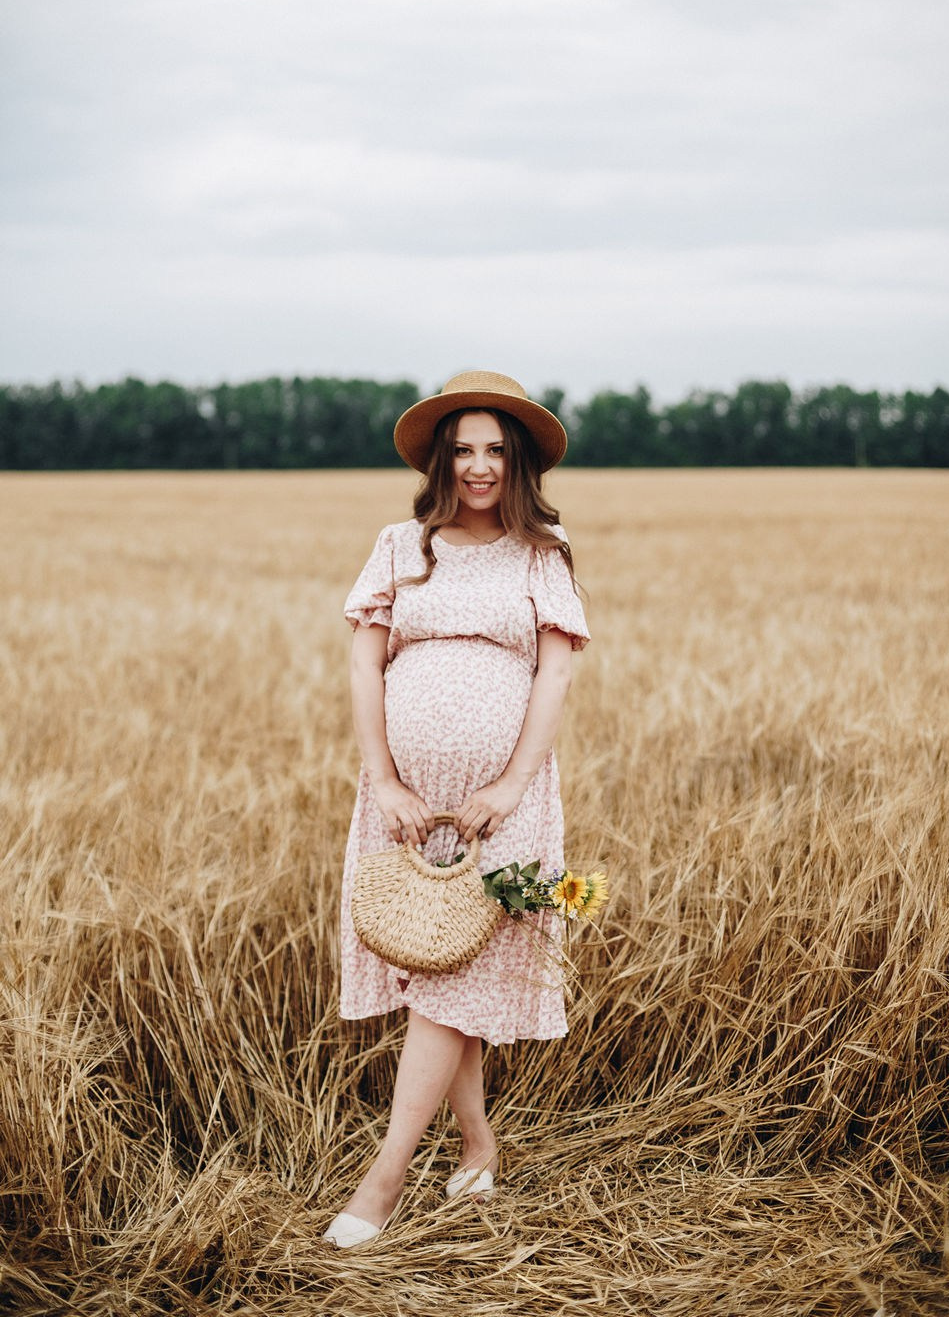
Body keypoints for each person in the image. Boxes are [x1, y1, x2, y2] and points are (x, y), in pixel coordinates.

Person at [323, 370, 590, 1249]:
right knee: (439, 968)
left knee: (452, 976)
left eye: (496, 450)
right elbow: (367, 665)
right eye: (465, 449)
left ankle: (384, 1178)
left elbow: (554, 672)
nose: (479, 466)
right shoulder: (401, 545)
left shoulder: (541, 553)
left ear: (517, 464)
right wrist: (386, 779)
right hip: (406, 798)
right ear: (443, 459)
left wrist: (509, 784)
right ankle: (477, 1145)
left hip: (501, 802)